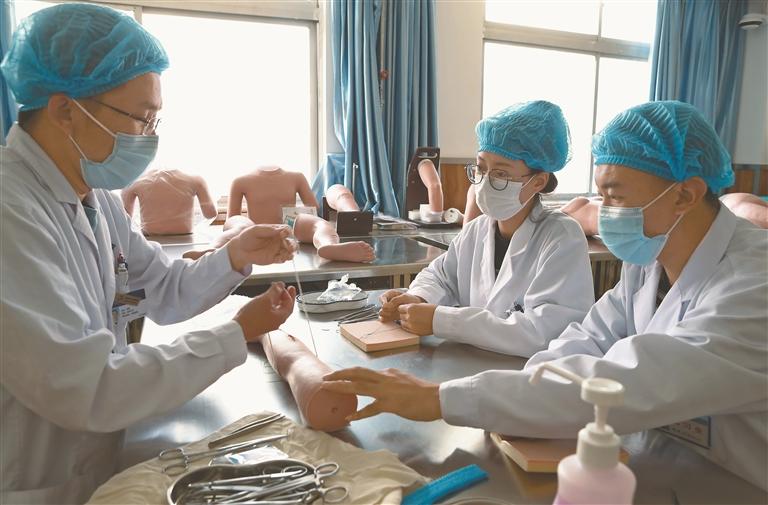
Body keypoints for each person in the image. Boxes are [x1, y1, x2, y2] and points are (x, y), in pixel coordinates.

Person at [323, 101, 768, 490]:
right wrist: (523, 399)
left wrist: (442, 398)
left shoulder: (754, 285)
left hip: (736, 482)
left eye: (614, 197)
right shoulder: (648, 261)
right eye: (601, 195)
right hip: (659, 462)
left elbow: (631, 380)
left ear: (685, 195)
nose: (604, 212)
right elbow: (586, 339)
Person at [0, 4, 297, 503]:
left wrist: (234, 255)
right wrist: (234, 334)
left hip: (96, 458)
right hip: (33, 480)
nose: (150, 137)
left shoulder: (94, 199)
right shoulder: (11, 211)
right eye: (141, 118)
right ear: (65, 109)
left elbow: (162, 288)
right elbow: (85, 384)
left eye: (156, 119)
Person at [377, 101, 594, 357]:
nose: (485, 181)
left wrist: (442, 321)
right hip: (474, 363)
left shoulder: (562, 237)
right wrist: (419, 298)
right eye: (480, 168)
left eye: (501, 174)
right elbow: (441, 276)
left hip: (527, 373)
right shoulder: (477, 230)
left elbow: (544, 333)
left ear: (538, 182)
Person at [221, 166, 375, 263]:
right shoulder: (240, 182)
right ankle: (328, 243)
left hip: (286, 229)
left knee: (319, 223)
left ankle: (329, 246)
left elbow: (313, 209)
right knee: (318, 224)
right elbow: (313, 208)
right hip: (258, 232)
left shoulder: (296, 177)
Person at [122, 168, 218, 235]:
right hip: (185, 238)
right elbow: (210, 214)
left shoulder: (136, 180)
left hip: (150, 238)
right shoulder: (195, 179)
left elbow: (124, 219)